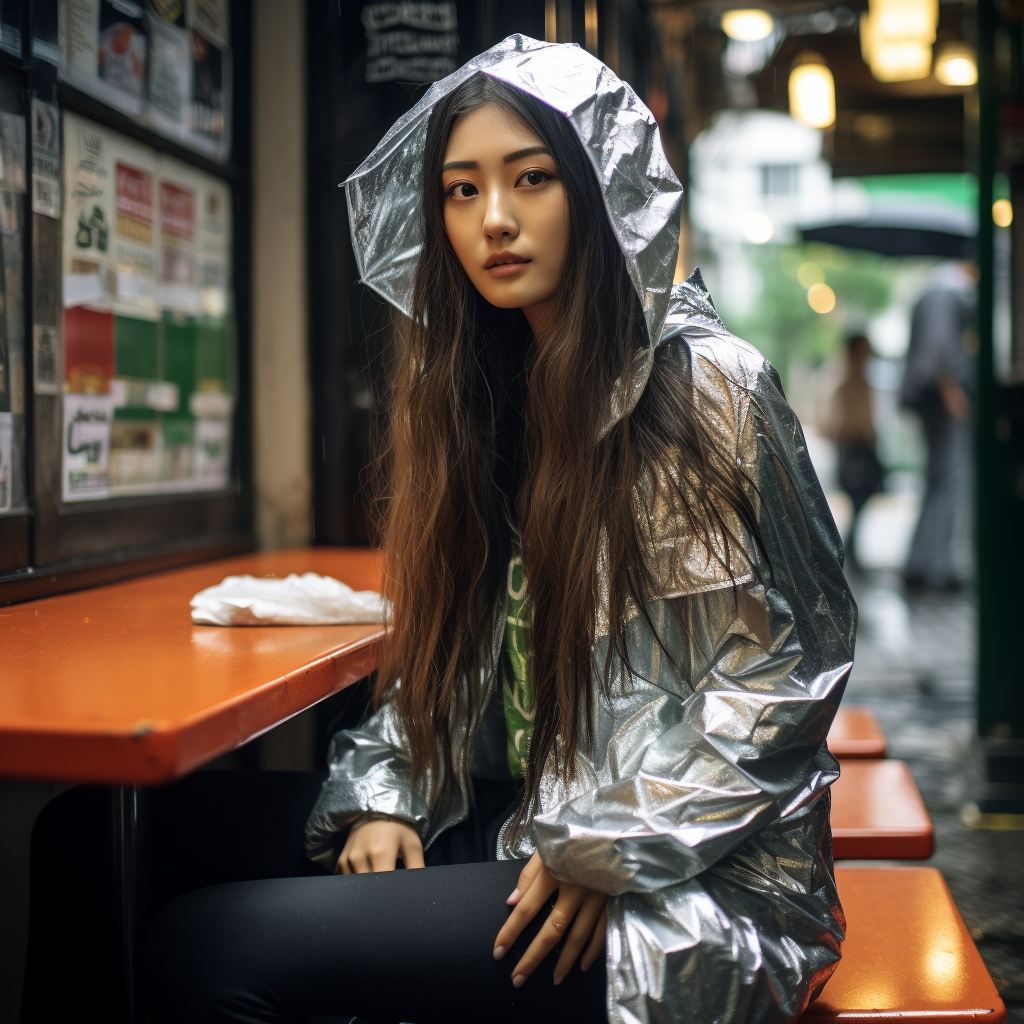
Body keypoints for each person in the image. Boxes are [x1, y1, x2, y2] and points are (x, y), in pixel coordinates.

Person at [144, 36, 855, 1024]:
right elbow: (445, 656)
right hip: (512, 819)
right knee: (117, 839)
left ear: (603, 192)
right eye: (459, 191)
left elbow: (790, 672)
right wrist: (385, 789)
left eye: (531, 179)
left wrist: (612, 838)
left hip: (685, 886)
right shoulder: (477, 394)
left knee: (211, 948)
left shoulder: (712, 388)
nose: (495, 221)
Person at [900, 261, 976, 591]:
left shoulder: (934, 289)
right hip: (942, 397)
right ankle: (940, 567)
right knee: (953, 480)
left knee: (936, 481)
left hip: (928, 398)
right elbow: (941, 347)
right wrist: (953, 391)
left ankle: (920, 562)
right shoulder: (948, 290)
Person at [824, 333, 884, 572]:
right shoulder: (845, 384)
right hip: (853, 448)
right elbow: (834, 424)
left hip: (860, 448)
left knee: (861, 498)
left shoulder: (861, 382)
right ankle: (849, 547)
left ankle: (850, 546)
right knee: (858, 496)